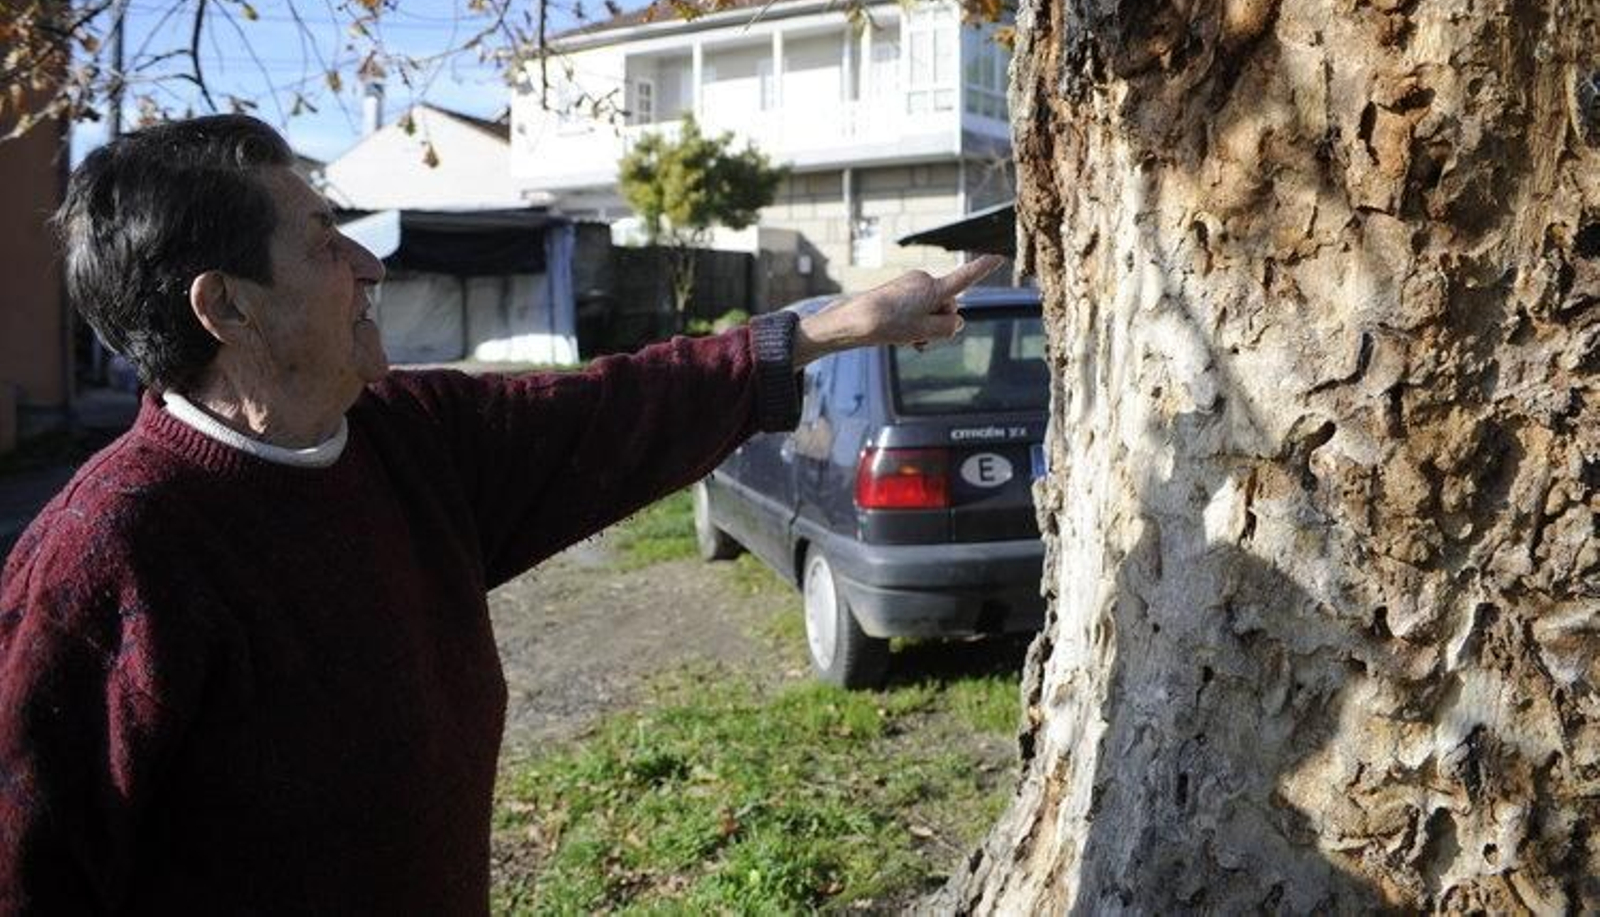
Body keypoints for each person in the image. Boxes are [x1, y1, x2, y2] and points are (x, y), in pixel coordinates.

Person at [0, 114, 1001, 913]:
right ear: (227, 308)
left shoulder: (406, 438)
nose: (368, 265)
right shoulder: (111, 555)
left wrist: (828, 327)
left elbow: (617, 406)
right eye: (322, 243)